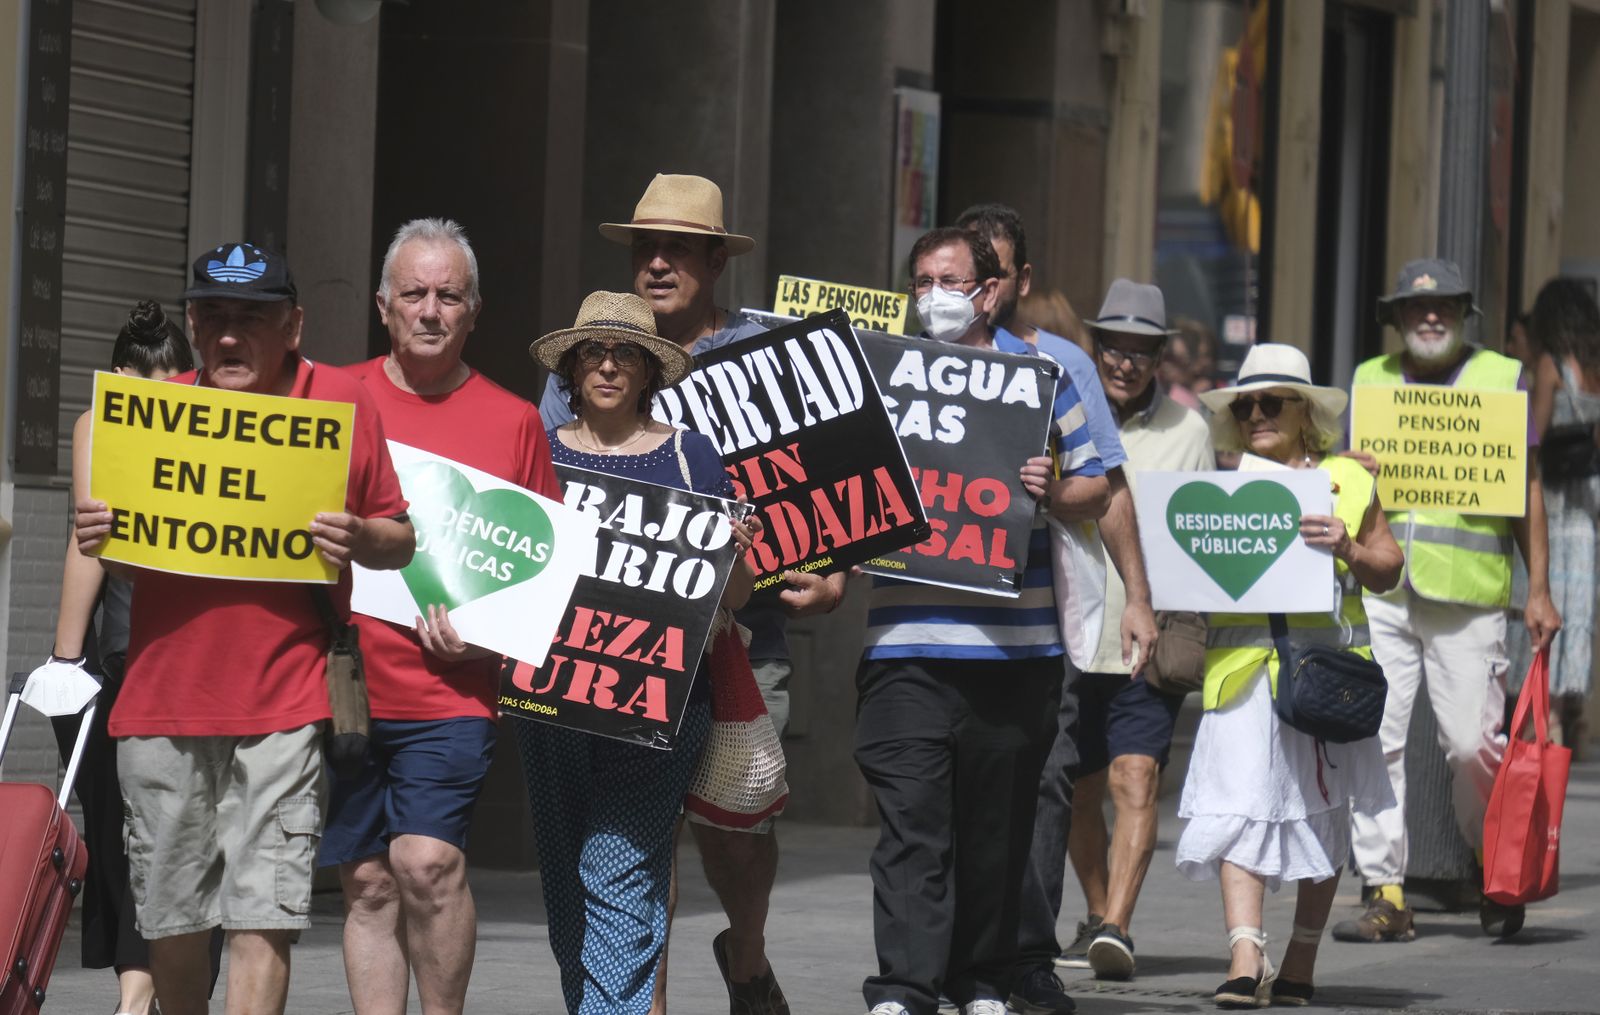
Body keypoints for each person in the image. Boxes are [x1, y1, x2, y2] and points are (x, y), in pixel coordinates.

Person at [74, 243, 415, 1015]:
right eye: (215, 315)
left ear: (292, 325)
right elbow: (126, 563)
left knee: (266, 916)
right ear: (192, 323)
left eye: (252, 317)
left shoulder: (342, 404)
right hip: (162, 704)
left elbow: (402, 537)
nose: (231, 335)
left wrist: (359, 535)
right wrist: (100, 533)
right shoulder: (158, 419)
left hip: (285, 707)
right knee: (175, 927)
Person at [543, 173, 842, 1014]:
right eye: (645, 247)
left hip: (739, 647)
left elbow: (832, 483)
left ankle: (745, 956)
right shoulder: (570, 382)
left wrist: (834, 568)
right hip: (593, 667)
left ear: (717, 259)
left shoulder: (771, 357)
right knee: (639, 850)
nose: (658, 262)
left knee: (736, 833)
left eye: (678, 248)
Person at [855, 227, 1109, 1015]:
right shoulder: (880, 376)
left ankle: (980, 978)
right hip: (904, 647)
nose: (936, 293)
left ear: (989, 290)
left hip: (1016, 651)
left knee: (995, 829)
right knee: (910, 823)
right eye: (923, 279)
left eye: (952, 279)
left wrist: (1050, 486)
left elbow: (1096, 487)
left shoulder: (1049, 374)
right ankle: (903, 987)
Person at [324, 219, 561, 1014]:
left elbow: (541, 576)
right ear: (383, 304)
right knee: (365, 881)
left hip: (450, 692)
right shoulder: (335, 400)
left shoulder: (514, 421)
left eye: (448, 295)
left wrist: (484, 638)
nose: (430, 310)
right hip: (341, 684)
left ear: (474, 310)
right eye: (415, 293)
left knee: (426, 863)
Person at [521, 290, 758, 1015]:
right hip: (550, 700)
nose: (609, 365)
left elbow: (737, 596)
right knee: (567, 882)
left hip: (661, 704)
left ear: (651, 369)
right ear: (570, 364)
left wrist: (739, 558)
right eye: (593, 350)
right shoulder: (539, 455)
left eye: (626, 352)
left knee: (618, 869)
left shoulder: (692, 457)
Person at [954, 206, 1155, 1005]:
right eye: (968, 274)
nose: (982, 289)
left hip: (1039, 621)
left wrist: (1138, 595)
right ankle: (942, 960)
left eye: (995, 273)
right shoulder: (903, 360)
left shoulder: (1061, 365)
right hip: (935, 619)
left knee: (1041, 783)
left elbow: (1105, 486)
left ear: (1019, 281)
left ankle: (1023, 957)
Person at [1336, 259, 1561, 943]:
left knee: (1471, 744)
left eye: (1444, 308)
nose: (1429, 317)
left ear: (1464, 314)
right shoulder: (1371, 381)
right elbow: (1343, 481)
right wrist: (1348, 466)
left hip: (1468, 597)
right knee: (1379, 738)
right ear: (1397, 317)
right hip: (1385, 588)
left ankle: (1492, 858)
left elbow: (1525, 490)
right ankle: (1385, 888)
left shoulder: (1500, 378)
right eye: (1415, 308)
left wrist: (1540, 590)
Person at [1178, 343, 1404, 1008]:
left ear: (1305, 411)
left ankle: (1300, 961)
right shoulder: (1218, 486)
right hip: (1241, 676)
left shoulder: (1349, 480)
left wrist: (1350, 547)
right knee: (1239, 805)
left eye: (1270, 401)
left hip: (1325, 678)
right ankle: (1245, 956)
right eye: (1244, 405)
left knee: (1322, 816)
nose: (1255, 414)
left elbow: (1390, 567)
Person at [42, 300, 216, 1015]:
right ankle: (137, 991)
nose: (175, 394)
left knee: (188, 829)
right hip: (122, 657)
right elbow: (92, 542)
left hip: (198, 652)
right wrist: (64, 656)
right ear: (120, 380)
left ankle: (150, 994)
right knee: (121, 829)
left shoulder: (215, 430)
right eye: (158, 382)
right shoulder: (98, 427)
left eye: (185, 379)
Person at [1057, 280, 1214, 981]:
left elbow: (1210, 528)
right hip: (1069, 630)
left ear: (1158, 357)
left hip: (1148, 636)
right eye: (1112, 346)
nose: (1123, 361)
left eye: (1139, 350)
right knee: (1077, 787)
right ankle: (1095, 909)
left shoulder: (1192, 430)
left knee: (1135, 776)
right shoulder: (1063, 410)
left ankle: (1117, 922)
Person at [1506, 278, 1600, 757]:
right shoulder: (1593, 368)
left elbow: (1532, 437)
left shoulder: (1550, 365)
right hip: (1587, 512)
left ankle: (1537, 745)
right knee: (1572, 618)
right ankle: (1558, 727)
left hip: (1554, 507)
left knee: (1537, 616)